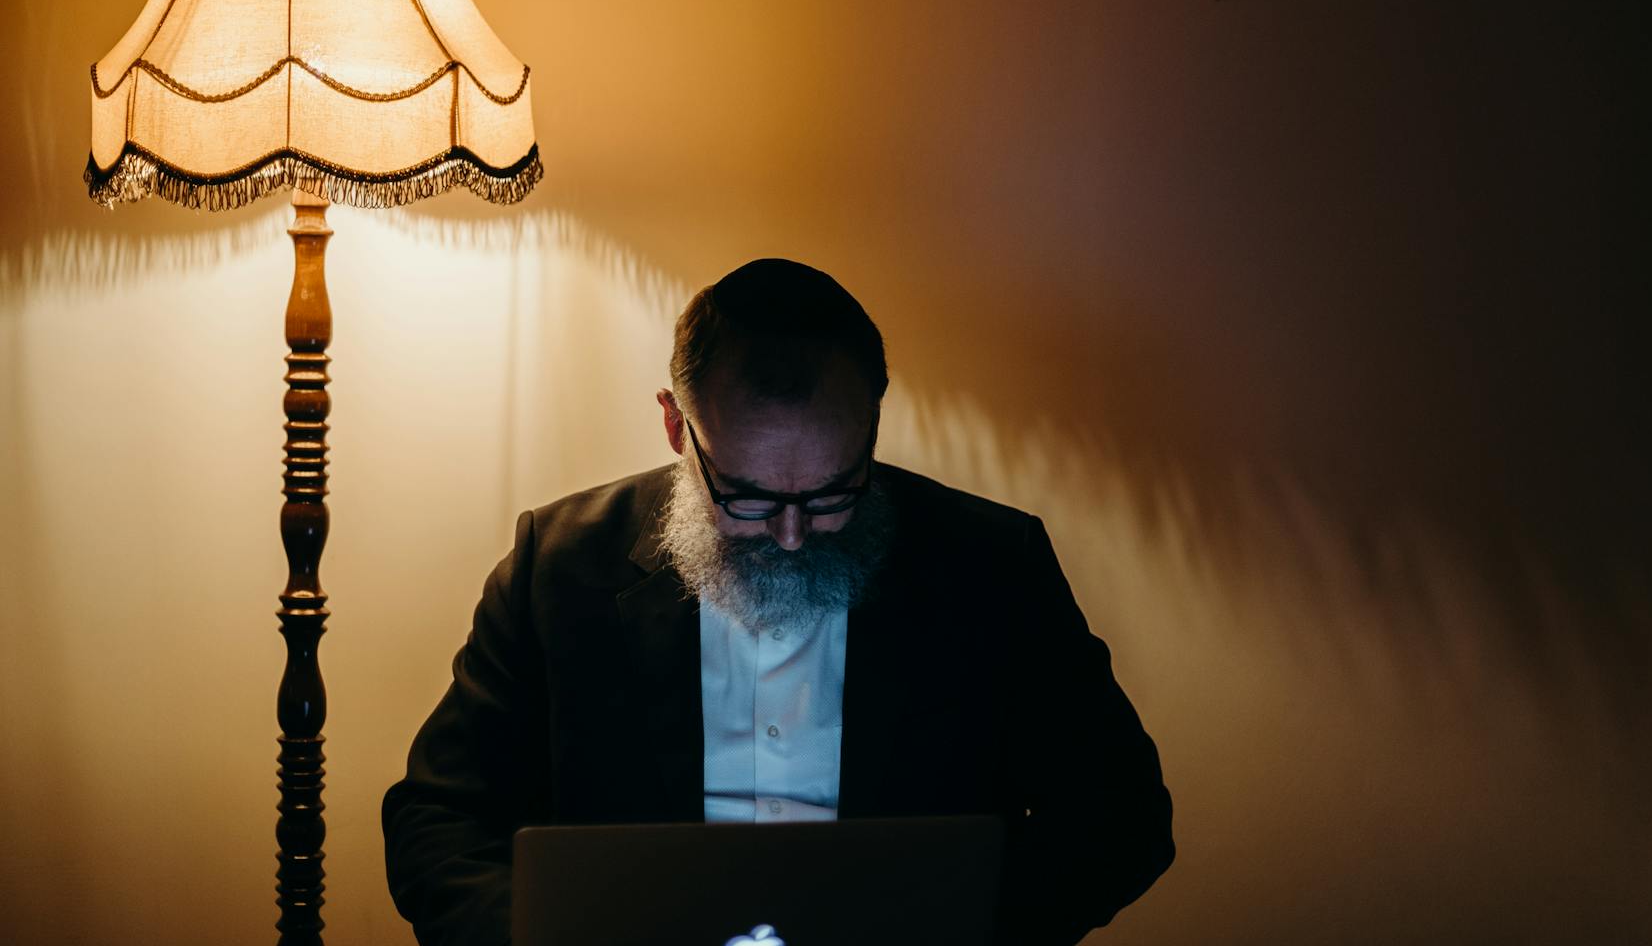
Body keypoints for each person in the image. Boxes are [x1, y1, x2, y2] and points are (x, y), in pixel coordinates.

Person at [382, 258, 1175, 945]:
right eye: (750, 497)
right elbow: (438, 820)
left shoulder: (994, 565)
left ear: (871, 425)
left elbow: (1122, 820)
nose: (794, 535)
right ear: (674, 426)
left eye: (834, 493)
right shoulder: (555, 565)